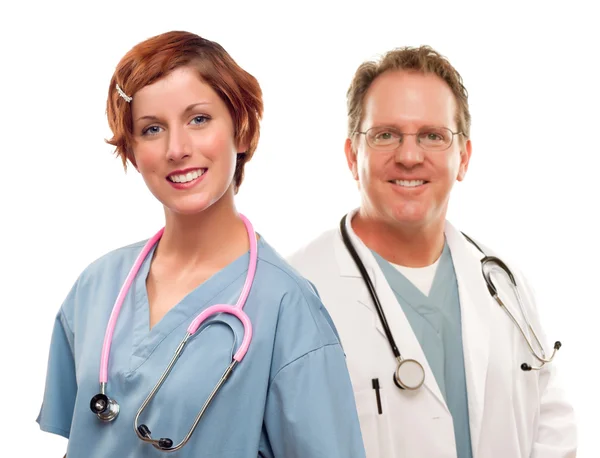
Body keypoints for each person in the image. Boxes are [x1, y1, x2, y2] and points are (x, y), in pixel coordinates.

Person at [36, 30, 366, 458]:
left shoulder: (288, 308)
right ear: (134, 153)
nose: (177, 149)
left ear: (242, 132)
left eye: (199, 119)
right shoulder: (96, 287)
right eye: (152, 129)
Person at [287, 45, 577, 457]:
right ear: (353, 157)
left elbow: (551, 423)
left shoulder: (503, 282)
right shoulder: (298, 292)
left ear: (463, 158)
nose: (409, 156)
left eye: (433, 136)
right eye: (385, 135)